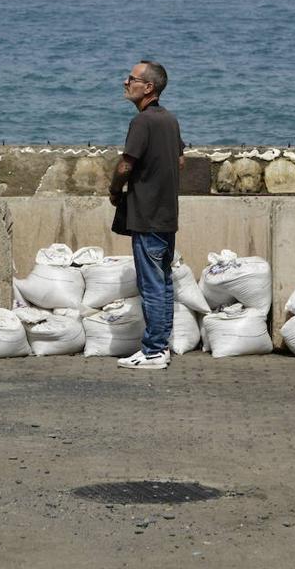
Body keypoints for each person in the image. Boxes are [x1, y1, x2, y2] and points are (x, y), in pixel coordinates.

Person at [109, 60, 183, 370]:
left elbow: (126, 164)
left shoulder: (142, 123)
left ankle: (153, 350)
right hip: (166, 214)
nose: (126, 82)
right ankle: (160, 347)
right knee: (163, 283)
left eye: (132, 79)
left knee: (151, 284)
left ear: (148, 87)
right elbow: (179, 161)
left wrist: (115, 190)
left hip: (147, 215)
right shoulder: (170, 120)